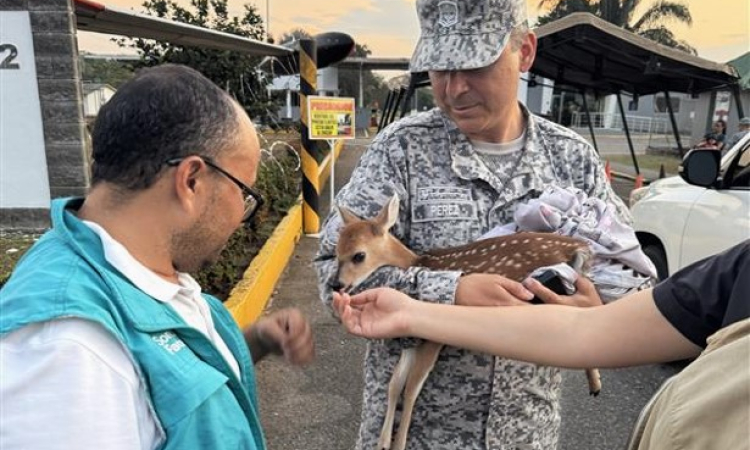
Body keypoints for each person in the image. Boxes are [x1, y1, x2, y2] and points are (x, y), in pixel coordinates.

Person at [314, 0, 642, 448]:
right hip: (414, 438)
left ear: (524, 52)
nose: (453, 89)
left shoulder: (572, 159)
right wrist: (452, 291)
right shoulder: (402, 150)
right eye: (439, 68)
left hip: (525, 434)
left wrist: (595, 310)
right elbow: (328, 276)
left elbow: (626, 275)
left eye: (474, 65)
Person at [0, 64, 315, 450]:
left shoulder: (126, 268)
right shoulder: (68, 352)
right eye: (244, 193)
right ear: (192, 181)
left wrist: (252, 342)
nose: (242, 215)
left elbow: (164, 384)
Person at [332, 240, 750, 450]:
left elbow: (606, 290)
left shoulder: (574, 156)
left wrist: (594, 300)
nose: (456, 85)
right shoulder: (737, 273)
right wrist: (417, 311)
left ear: (524, 64)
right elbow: (588, 330)